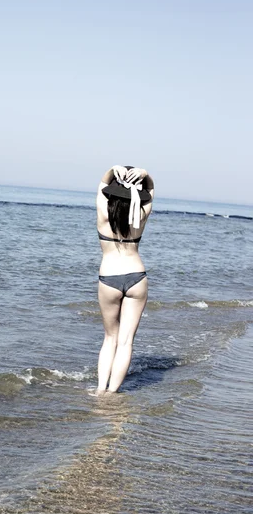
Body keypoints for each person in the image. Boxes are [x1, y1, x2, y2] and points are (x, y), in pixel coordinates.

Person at [96, 165, 154, 393]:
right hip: (136, 277)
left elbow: (101, 186)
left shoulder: (102, 215)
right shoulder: (139, 217)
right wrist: (144, 174)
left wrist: (113, 169)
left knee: (110, 337)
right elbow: (151, 189)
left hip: (109, 278)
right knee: (126, 341)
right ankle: (113, 393)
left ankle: (100, 390)